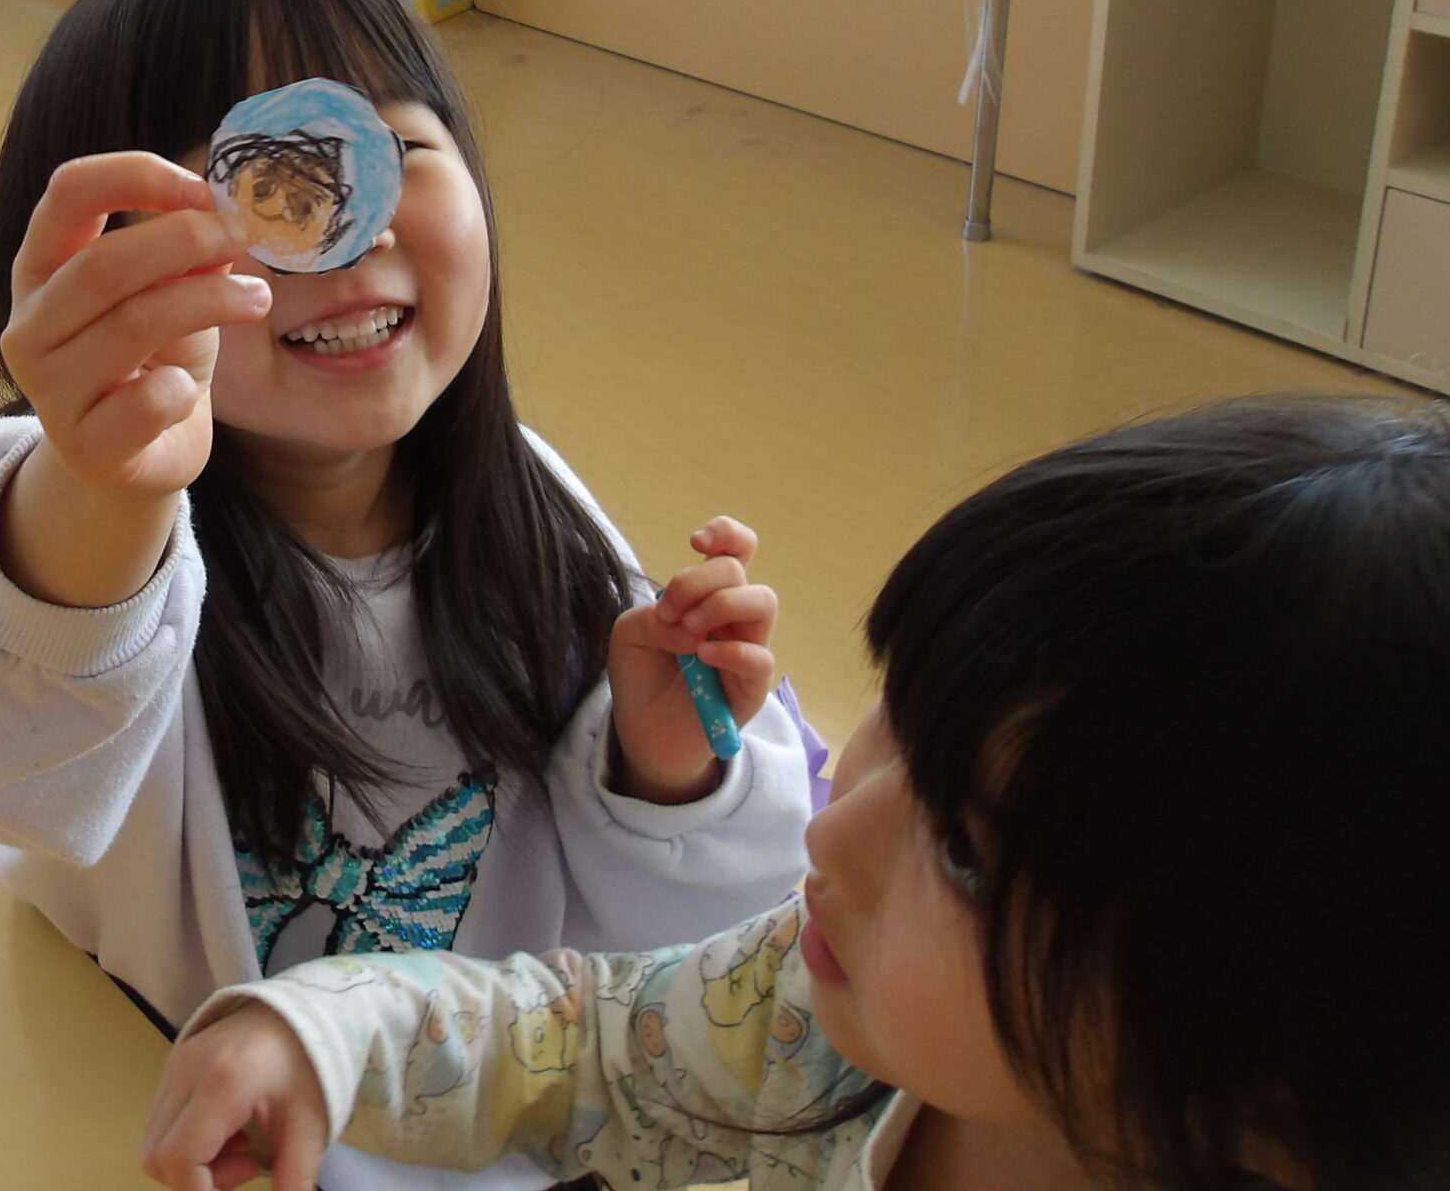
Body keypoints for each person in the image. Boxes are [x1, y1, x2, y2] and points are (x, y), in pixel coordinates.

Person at [0, 0, 812, 1191]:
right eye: (257, 187)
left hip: (506, 1129)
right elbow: (5, 759)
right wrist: (101, 491)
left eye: (393, 150)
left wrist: (656, 769)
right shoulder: (49, 515)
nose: (347, 230)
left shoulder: (526, 503)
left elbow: (665, 951)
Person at [145, 394, 1450, 1191]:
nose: (835, 822)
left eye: (968, 856)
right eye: (903, 716)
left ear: (1269, 1095)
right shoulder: (809, 1017)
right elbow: (576, 1042)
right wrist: (316, 1036)